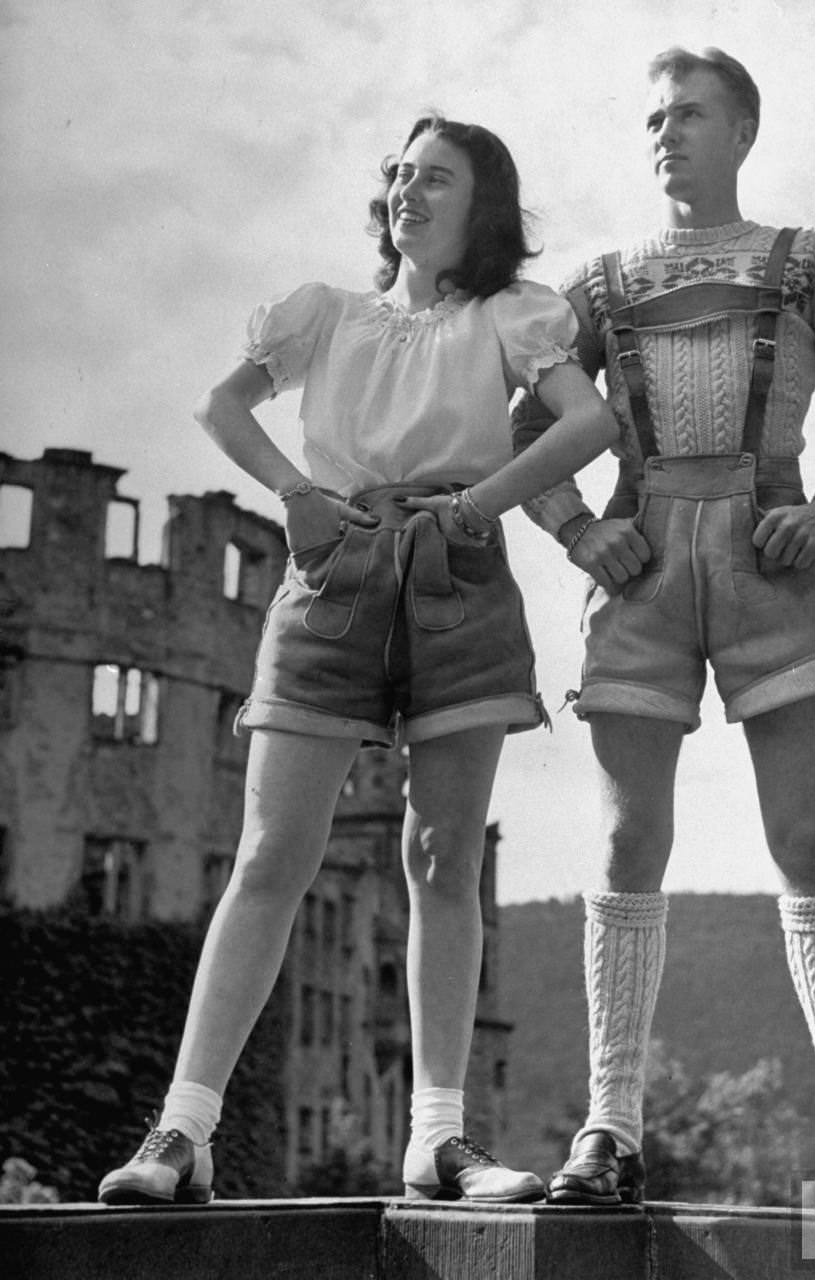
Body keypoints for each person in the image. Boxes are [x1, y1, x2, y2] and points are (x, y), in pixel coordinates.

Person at [97, 114, 618, 1206]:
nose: (408, 192)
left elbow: (589, 423)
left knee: (442, 854)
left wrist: (475, 505)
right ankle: (180, 1131)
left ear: (483, 207)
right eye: (399, 174)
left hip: (457, 580)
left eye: (437, 179)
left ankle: (437, 1139)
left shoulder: (511, 316)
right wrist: (296, 494)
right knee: (271, 853)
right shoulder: (326, 314)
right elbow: (220, 403)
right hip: (331, 575)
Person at [511, 47, 815, 1214]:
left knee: (806, 836)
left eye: (690, 113)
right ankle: (608, 1131)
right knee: (626, 841)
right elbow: (515, 433)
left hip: (769, 559)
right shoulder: (596, 285)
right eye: (652, 116)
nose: (666, 132)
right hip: (640, 563)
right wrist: (578, 530)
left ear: (744, 129)